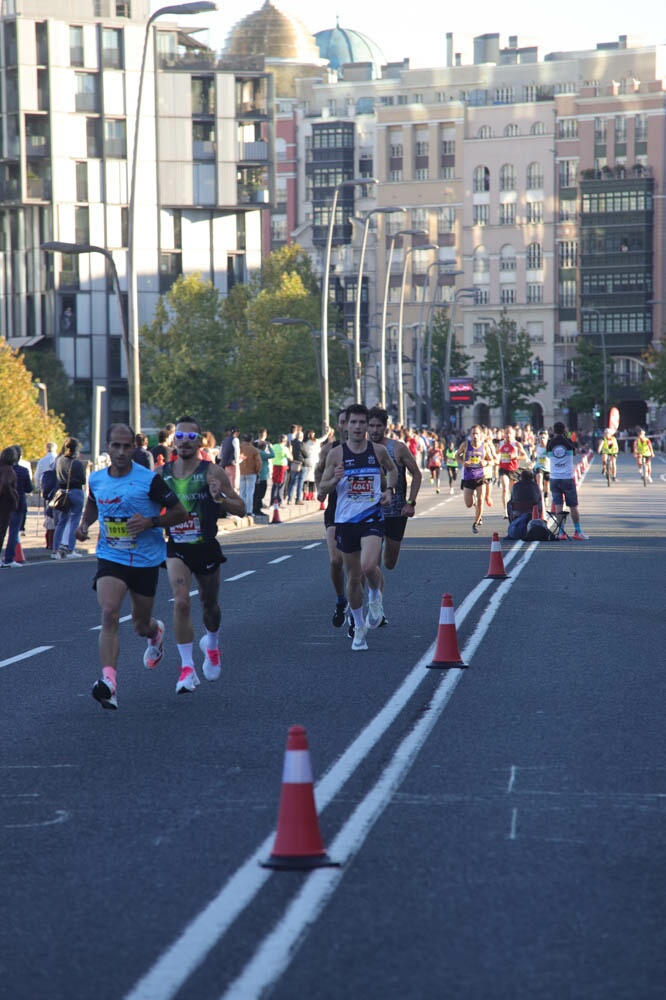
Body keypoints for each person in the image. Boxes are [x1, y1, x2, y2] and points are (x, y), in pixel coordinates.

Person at [75, 423, 189, 710]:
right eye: (116, 446)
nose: (122, 451)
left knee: (141, 624)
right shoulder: (97, 479)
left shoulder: (149, 480)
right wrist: (84, 524)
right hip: (110, 556)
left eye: (128, 446)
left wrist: (151, 522)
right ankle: (109, 683)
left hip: (145, 559)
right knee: (109, 612)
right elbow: (92, 502)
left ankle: (155, 633)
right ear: (108, 447)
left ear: (135, 448)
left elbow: (179, 512)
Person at [160, 416, 245, 694]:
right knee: (182, 603)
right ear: (174, 441)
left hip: (206, 547)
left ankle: (212, 644)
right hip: (177, 547)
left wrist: (220, 498)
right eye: (180, 437)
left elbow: (241, 508)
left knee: (209, 606)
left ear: (200, 441)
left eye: (190, 437)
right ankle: (187, 668)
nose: (184, 442)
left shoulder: (213, 472)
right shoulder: (162, 474)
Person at [319, 404, 398, 651]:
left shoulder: (378, 451)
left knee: (368, 566)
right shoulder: (336, 455)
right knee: (353, 578)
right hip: (345, 521)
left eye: (362, 423)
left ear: (367, 425)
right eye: (353, 422)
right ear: (346, 425)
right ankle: (359, 626)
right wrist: (335, 478)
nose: (358, 427)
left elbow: (393, 470)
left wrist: (388, 490)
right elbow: (321, 489)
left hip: (372, 517)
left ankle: (375, 595)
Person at [368, 407, 421, 575]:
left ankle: (384, 547)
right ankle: (374, 597)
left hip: (395, 512)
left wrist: (411, 503)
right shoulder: (360, 448)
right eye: (371, 426)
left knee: (390, 563)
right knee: (371, 563)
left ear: (385, 427)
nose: (375, 430)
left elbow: (417, 474)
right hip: (369, 512)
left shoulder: (397, 448)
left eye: (378, 426)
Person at [315, 410, 348, 629]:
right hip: (335, 510)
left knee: (361, 567)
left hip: (361, 512)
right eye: (344, 422)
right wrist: (323, 488)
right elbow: (318, 471)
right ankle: (340, 600)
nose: (349, 426)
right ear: (339, 425)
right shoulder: (330, 450)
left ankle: (357, 609)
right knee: (336, 561)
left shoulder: (371, 450)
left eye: (354, 421)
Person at [547, 421, 588, 540]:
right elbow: (575, 453)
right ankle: (578, 531)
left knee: (558, 506)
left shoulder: (550, 443)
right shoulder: (568, 442)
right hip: (567, 478)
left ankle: (561, 532)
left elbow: (548, 454)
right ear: (564, 430)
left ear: (554, 430)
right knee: (573, 506)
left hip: (554, 477)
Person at [456, 425, 496, 534]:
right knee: (469, 504)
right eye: (473, 434)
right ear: (470, 435)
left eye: (477, 434)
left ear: (481, 435)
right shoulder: (465, 445)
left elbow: (493, 461)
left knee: (481, 499)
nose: (475, 436)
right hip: (468, 477)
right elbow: (457, 456)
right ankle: (476, 508)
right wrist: (463, 463)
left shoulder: (485, 447)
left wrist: (486, 462)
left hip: (480, 477)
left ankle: (476, 522)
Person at [52, 437, 87, 559]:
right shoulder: (76, 463)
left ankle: (55, 550)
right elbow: (83, 480)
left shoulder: (59, 460)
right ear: (75, 449)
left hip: (62, 492)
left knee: (61, 522)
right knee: (74, 521)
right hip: (76, 491)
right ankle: (70, 550)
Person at [2, 447, 33, 566]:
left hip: (4, 504)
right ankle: (9, 558)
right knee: (13, 532)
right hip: (18, 503)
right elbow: (29, 488)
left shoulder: (3, 469)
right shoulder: (22, 471)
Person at [497, 426, 528, 518]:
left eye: (510, 433)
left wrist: (515, 457)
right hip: (503, 469)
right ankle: (505, 511)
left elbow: (524, 456)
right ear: (504, 434)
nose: (508, 435)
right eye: (506, 433)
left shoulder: (517, 444)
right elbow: (496, 454)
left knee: (513, 491)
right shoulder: (500, 444)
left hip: (513, 470)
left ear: (513, 434)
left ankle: (514, 508)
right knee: (505, 488)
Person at [0, 447, 19, 565]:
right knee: (1, 530)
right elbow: (6, 485)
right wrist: (14, 498)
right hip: (4, 504)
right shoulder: (9, 470)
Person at [239, 433, 261, 516]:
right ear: (251, 440)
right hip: (251, 473)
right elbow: (258, 463)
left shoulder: (239, 448)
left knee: (242, 493)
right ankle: (249, 511)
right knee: (250, 493)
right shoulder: (254, 450)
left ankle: (242, 510)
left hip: (241, 472)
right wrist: (257, 471)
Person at [253, 439, 274, 515]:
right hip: (262, 476)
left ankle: (256, 507)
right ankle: (257, 508)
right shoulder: (262, 453)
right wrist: (269, 447)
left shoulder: (256, 452)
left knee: (257, 493)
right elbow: (272, 455)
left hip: (259, 475)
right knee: (261, 493)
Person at [533, 428, 551, 503]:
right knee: (539, 479)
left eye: (544, 437)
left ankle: (546, 495)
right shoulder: (536, 446)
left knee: (546, 485)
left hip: (547, 467)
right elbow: (533, 456)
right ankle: (539, 496)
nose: (542, 438)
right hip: (539, 467)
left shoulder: (549, 446)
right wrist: (533, 460)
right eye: (541, 436)